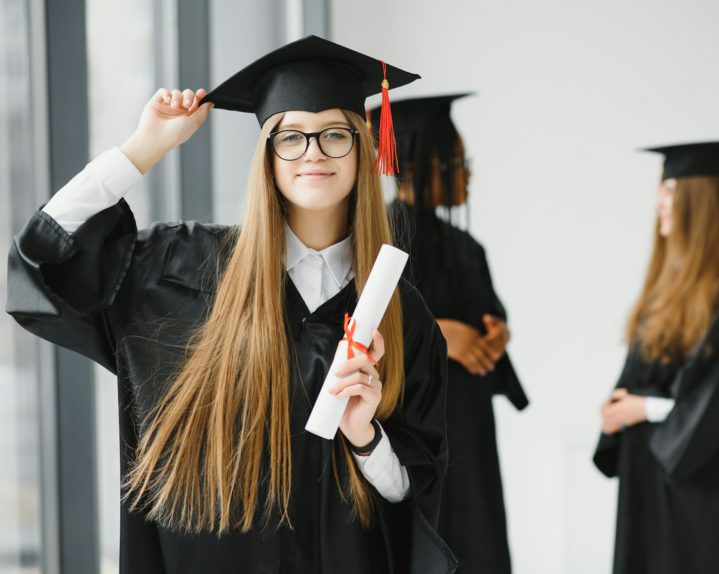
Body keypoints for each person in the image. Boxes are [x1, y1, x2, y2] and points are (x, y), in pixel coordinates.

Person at [6, 35, 456, 574]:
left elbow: (415, 493)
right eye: (290, 137)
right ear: (266, 154)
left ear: (363, 147)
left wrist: (365, 436)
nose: (312, 152)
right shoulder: (182, 269)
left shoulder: (400, 315)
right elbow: (43, 260)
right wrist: (142, 148)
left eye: (335, 134)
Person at [593, 141, 719, 574]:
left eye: (670, 190)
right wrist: (616, 412)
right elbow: (638, 374)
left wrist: (643, 408)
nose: (660, 204)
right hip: (647, 479)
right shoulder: (669, 286)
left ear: (703, 201)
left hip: (697, 498)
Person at [370, 94, 528, 573]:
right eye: (458, 161)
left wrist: (496, 336)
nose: (468, 173)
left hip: (469, 425)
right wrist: (439, 334)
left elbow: (488, 316)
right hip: (414, 425)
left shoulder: (465, 245)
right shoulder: (382, 234)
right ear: (424, 162)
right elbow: (362, 320)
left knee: (478, 538)